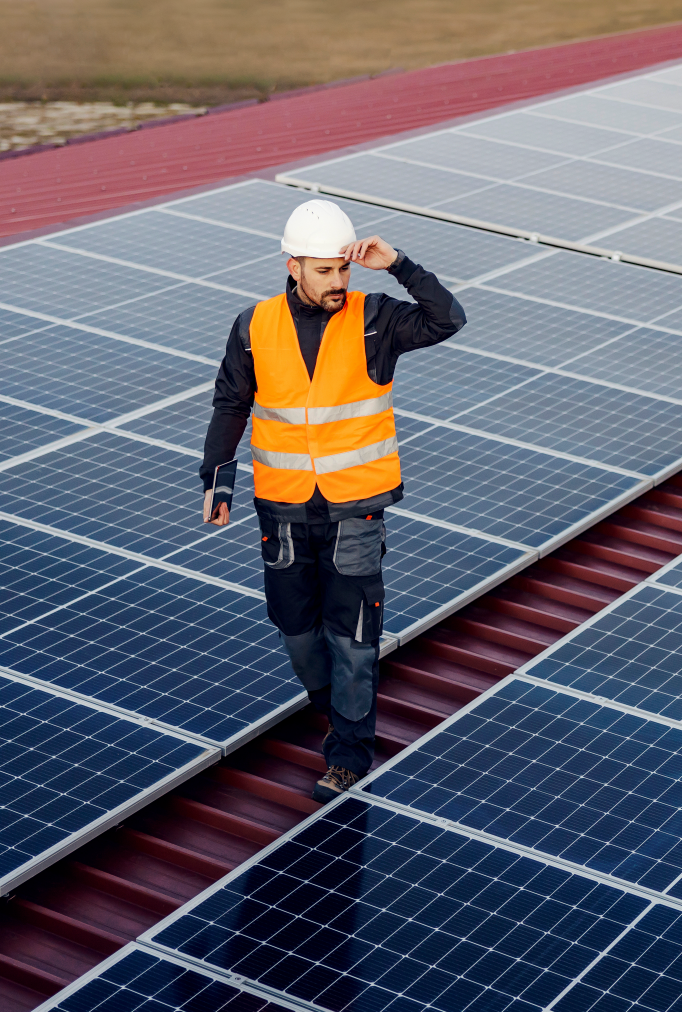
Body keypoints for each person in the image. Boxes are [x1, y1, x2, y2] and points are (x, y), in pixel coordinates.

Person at [199, 198, 465, 803]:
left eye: (343, 269)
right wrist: (218, 479)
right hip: (284, 509)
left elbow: (448, 319)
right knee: (296, 631)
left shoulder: (377, 319)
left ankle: (348, 751)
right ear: (293, 266)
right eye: (325, 271)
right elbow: (230, 403)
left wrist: (396, 263)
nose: (339, 281)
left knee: (352, 640)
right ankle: (334, 710)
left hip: (355, 510)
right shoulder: (254, 325)